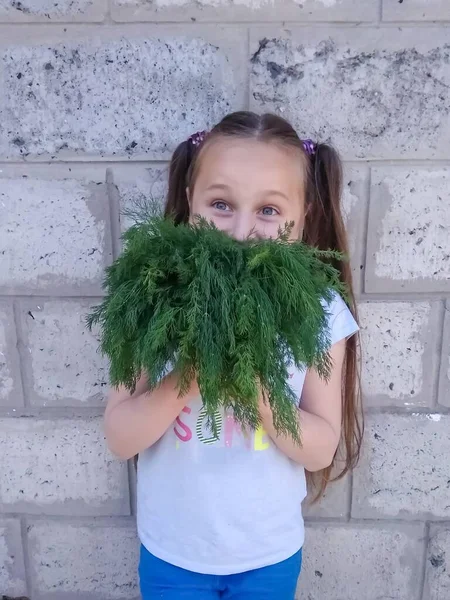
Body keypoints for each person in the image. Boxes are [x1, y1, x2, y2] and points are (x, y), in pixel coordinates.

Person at [105, 111, 363, 599]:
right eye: (221, 203)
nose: (241, 230)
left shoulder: (319, 312)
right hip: (172, 552)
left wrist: (259, 388)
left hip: (267, 554)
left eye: (268, 210)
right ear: (190, 200)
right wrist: (190, 376)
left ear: (304, 213)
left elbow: (320, 447)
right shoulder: (151, 295)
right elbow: (120, 438)